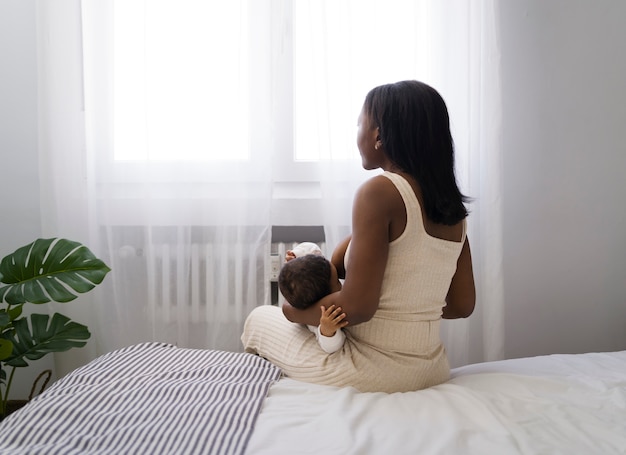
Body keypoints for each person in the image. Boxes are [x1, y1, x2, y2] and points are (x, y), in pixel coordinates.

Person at [242, 80, 476, 393]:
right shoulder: (453, 213)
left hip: (374, 371)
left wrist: (291, 311)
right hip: (432, 368)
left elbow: (358, 306)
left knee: (259, 318)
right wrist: (408, 312)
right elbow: (462, 305)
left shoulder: (379, 192)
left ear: (378, 135)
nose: (357, 134)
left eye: (359, 124)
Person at [278, 242, 346, 354]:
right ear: (324, 298)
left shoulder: (314, 280)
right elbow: (331, 347)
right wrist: (327, 331)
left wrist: (297, 254)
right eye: (338, 283)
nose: (341, 285)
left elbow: (313, 249)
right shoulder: (317, 320)